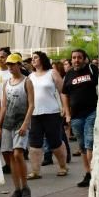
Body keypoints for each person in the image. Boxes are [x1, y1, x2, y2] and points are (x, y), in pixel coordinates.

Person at [26, 51, 69, 180]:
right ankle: (35, 170)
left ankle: (63, 166)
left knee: (55, 141)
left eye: (36, 58)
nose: (33, 60)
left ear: (42, 59)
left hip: (52, 112)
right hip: (35, 113)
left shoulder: (52, 73)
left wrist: (65, 109)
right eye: (32, 58)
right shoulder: (30, 76)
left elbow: (63, 91)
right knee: (34, 143)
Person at [0, 53, 34, 197]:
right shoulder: (7, 83)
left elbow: (31, 104)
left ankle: (25, 187)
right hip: (8, 122)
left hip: (21, 122)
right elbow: (4, 106)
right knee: (10, 155)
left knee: (18, 153)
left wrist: (26, 123)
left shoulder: (27, 81)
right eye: (9, 65)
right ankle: (17, 188)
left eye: (13, 64)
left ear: (19, 65)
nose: (10, 67)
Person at [61, 48, 97, 188]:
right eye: (74, 57)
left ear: (84, 58)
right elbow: (64, 93)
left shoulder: (91, 69)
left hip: (91, 112)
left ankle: (95, 174)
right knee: (82, 146)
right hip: (75, 115)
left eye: (79, 57)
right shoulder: (69, 74)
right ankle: (88, 173)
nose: (76, 60)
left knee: (89, 142)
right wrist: (67, 113)